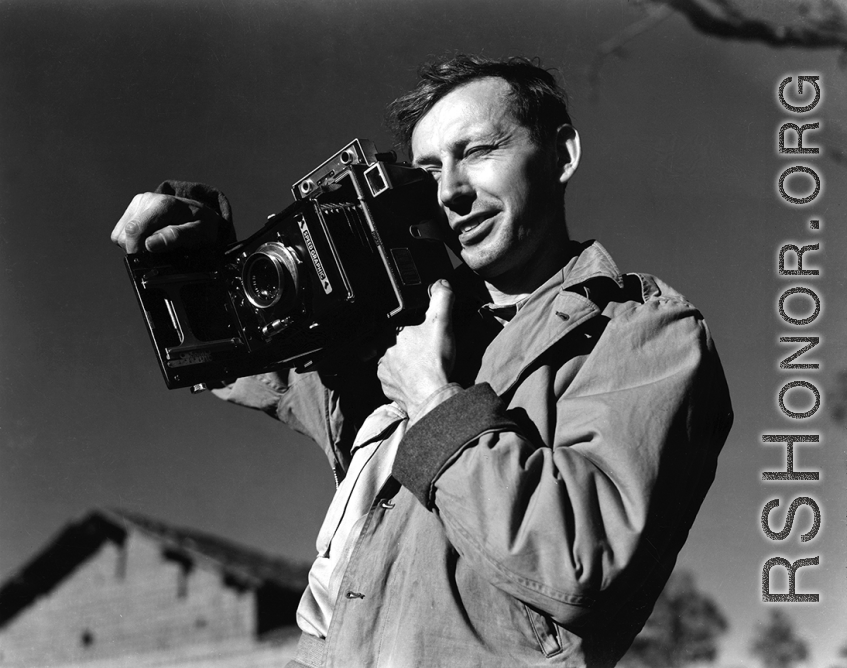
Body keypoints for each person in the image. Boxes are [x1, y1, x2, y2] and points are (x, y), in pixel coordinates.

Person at [112, 55, 733, 668]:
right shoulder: (398, 330)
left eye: (480, 151)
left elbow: (585, 563)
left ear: (562, 155)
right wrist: (198, 262)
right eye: (430, 168)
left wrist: (433, 402)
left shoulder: (643, 328)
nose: (451, 191)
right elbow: (247, 359)